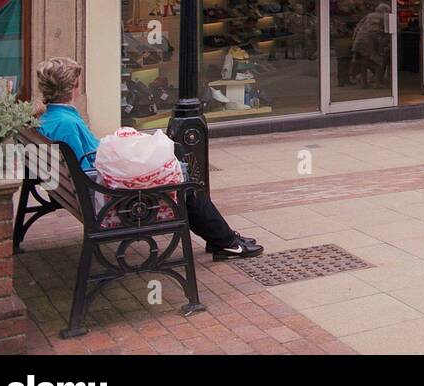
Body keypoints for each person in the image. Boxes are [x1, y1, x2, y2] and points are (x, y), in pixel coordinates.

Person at [34, 58, 262, 260]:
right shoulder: (67, 123)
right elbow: (87, 169)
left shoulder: (49, 118)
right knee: (186, 187)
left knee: (178, 172)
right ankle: (227, 242)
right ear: (73, 87)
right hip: (108, 199)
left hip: (81, 192)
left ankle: (223, 239)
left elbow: (82, 162)